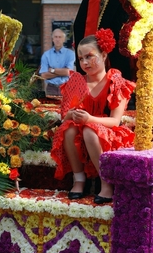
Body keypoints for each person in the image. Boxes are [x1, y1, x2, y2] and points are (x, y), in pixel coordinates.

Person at [51, 28, 136, 204]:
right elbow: (64, 116)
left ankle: (106, 183)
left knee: (90, 130)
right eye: (81, 59)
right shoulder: (77, 81)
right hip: (83, 129)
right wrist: (71, 115)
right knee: (68, 129)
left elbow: (115, 121)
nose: (85, 62)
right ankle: (79, 178)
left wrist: (90, 119)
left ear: (104, 55)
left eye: (89, 56)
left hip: (107, 131)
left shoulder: (116, 81)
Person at [39, 29, 75, 96]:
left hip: (66, 87)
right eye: (56, 37)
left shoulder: (70, 54)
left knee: (66, 106)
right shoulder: (46, 55)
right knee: (49, 106)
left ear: (64, 39)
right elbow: (44, 75)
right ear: (52, 39)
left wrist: (52, 70)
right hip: (51, 88)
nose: (58, 39)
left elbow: (68, 72)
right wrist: (61, 72)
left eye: (60, 37)